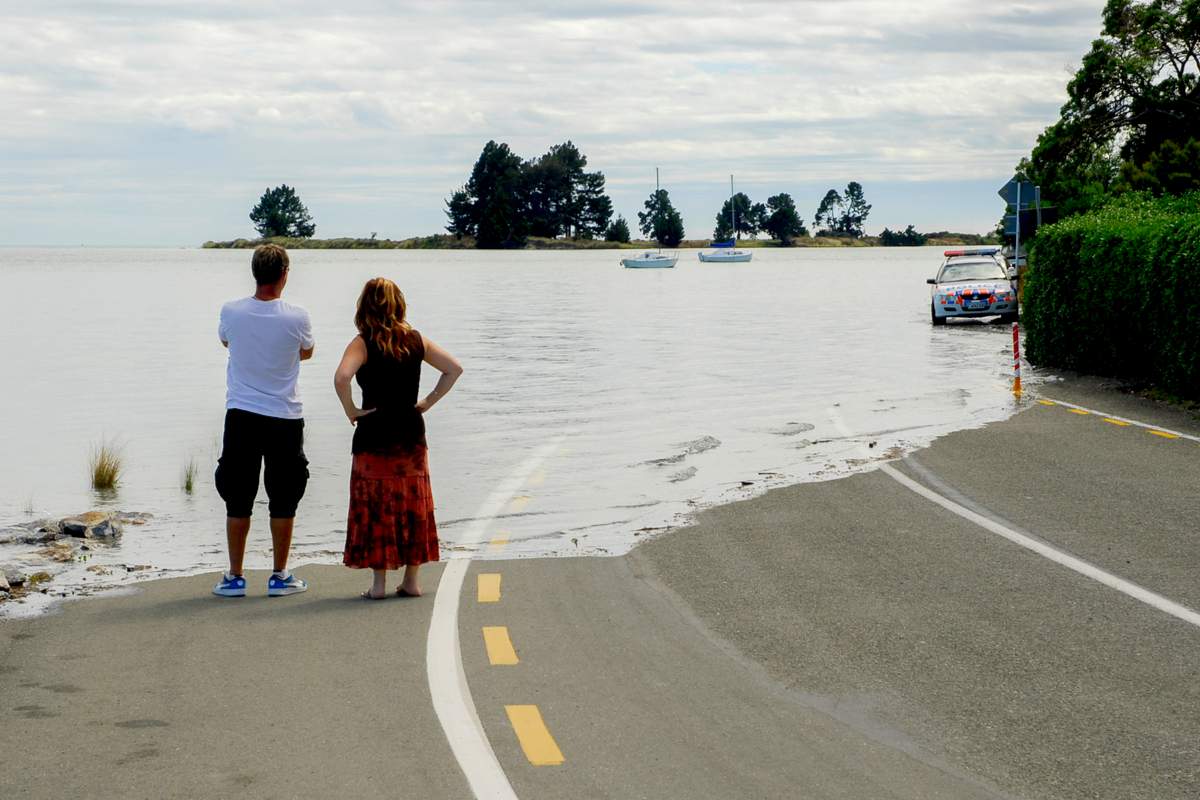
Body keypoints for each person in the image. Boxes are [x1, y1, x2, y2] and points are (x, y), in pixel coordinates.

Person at [334, 277, 462, 599]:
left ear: (364, 306)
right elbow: (454, 368)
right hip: (410, 437)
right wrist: (428, 402)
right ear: (399, 304)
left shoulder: (362, 343)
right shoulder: (415, 340)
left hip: (373, 436)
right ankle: (412, 581)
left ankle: (378, 586)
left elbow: (342, 377)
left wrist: (351, 409)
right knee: (411, 505)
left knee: (376, 506)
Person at [212, 243, 314, 598]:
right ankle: (279, 575)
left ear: (255, 273)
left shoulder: (231, 311)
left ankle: (235, 576)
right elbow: (307, 351)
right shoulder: (297, 315)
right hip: (284, 416)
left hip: (241, 413)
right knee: (284, 496)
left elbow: (226, 341)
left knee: (237, 496)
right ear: (285, 274)